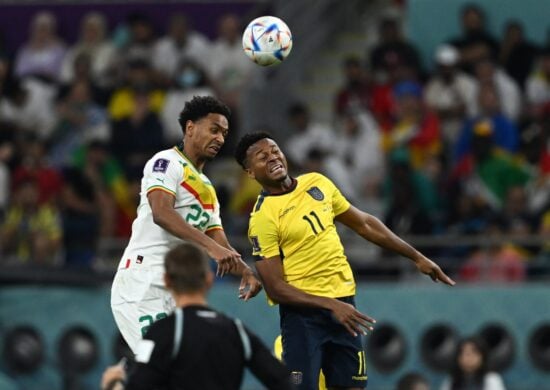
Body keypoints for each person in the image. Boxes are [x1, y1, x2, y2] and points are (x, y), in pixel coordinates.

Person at [234, 132, 455, 390]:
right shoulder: (262, 218)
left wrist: (416, 256)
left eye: (274, 150)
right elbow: (275, 287)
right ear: (250, 172)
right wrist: (330, 305)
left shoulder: (317, 183)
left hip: (344, 307)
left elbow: (364, 224)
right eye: (262, 157)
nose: (272, 158)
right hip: (304, 319)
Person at [111, 96, 261, 353]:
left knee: (177, 370)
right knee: (164, 365)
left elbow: (219, 243)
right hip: (142, 281)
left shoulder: (208, 189)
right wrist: (211, 249)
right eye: (214, 130)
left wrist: (247, 271)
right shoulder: (166, 162)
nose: (220, 139)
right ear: (190, 128)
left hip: (174, 289)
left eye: (224, 133)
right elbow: (161, 212)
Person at [102, 242, 292, 390]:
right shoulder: (237, 331)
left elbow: (139, 385)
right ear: (209, 280)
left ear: (167, 281)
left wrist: (115, 382)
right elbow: (282, 380)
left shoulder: (163, 332)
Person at [440, 336, 506, 390]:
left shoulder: (492, 379)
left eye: (473, 352)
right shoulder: (451, 380)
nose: (468, 357)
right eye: (464, 353)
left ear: (482, 356)